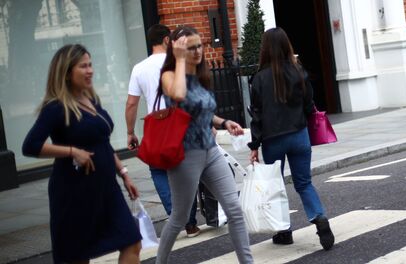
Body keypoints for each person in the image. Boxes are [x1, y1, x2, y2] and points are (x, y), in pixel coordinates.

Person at [22, 44, 141, 263]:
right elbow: (30, 145)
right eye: (83, 66)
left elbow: (102, 142)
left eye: (90, 65)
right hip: (74, 192)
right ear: (67, 73)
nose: (90, 71)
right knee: (77, 256)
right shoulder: (56, 107)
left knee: (132, 241)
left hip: (106, 188)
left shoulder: (92, 100)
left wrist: (123, 172)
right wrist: (71, 151)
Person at [155, 25, 253, 264]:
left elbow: (203, 112)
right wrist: (178, 60)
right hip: (185, 155)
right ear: (179, 50)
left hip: (210, 150)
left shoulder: (200, 76)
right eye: (191, 47)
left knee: (234, 209)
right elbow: (177, 95)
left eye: (199, 45)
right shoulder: (170, 76)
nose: (198, 51)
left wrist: (224, 121)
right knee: (179, 217)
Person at [247, 27, 335, 250]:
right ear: (287, 46)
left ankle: (284, 232)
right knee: (304, 183)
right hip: (299, 134)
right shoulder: (298, 72)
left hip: (272, 139)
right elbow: (308, 104)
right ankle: (319, 218)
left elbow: (256, 114)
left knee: (275, 185)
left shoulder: (258, 79)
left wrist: (254, 145)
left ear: (264, 49)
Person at [125, 24, 201, 237]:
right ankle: (190, 222)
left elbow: (131, 104)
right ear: (167, 40)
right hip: (181, 124)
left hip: (156, 126)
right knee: (186, 171)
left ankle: (176, 217)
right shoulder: (178, 62)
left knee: (158, 170)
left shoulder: (139, 68)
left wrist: (130, 131)